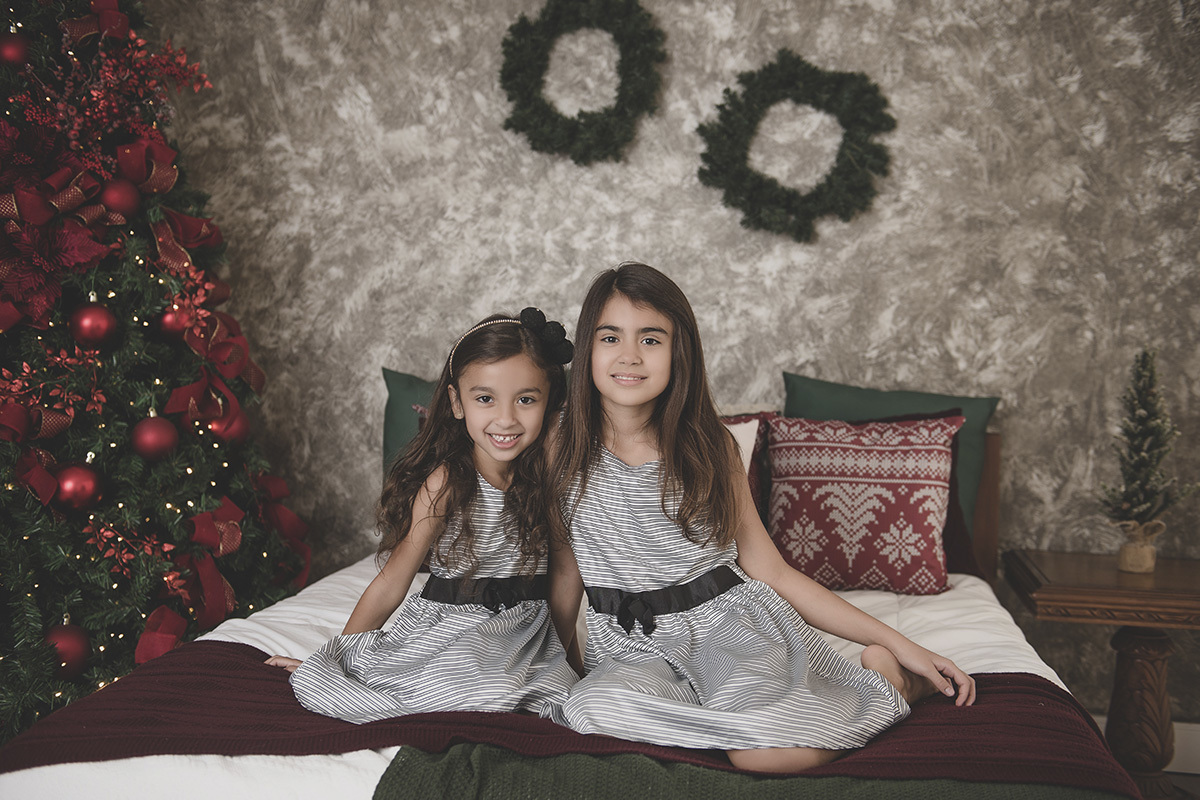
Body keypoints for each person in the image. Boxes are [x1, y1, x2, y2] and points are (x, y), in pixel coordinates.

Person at [549, 263, 976, 773]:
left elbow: (772, 572)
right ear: (587, 348)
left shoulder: (710, 446)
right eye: (610, 337)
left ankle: (889, 684)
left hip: (728, 631)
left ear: (680, 352)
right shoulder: (558, 448)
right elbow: (566, 574)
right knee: (591, 711)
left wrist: (898, 645)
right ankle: (734, 726)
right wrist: (560, 671)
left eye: (651, 339)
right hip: (630, 647)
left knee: (765, 759)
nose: (630, 355)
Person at [267, 308, 579, 724]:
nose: (506, 419)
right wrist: (339, 657)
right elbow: (393, 579)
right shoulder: (448, 482)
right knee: (479, 688)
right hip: (456, 630)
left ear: (549, 403)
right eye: (485, 399)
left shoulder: (551, 483)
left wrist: (567, 658)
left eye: (526, 400)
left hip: (525, 636)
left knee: (564, 698)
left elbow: (565, 577)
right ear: (457, 402)